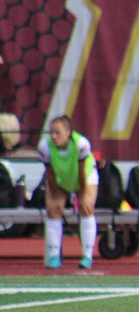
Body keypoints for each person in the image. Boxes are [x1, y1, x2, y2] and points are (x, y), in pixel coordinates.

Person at [37, 115, 98, 269]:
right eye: (51, 132)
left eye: (58, 133)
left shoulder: (81, 145)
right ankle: (53, 256)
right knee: (53, 209)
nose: (53, 136)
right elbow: (49, 174)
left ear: (68, 132)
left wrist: (81, 194)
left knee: (86, 206)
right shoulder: (45, 147)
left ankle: (87, 255)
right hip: (61, 178)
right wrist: (56, 195)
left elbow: (82, 173)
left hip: (84, 176)